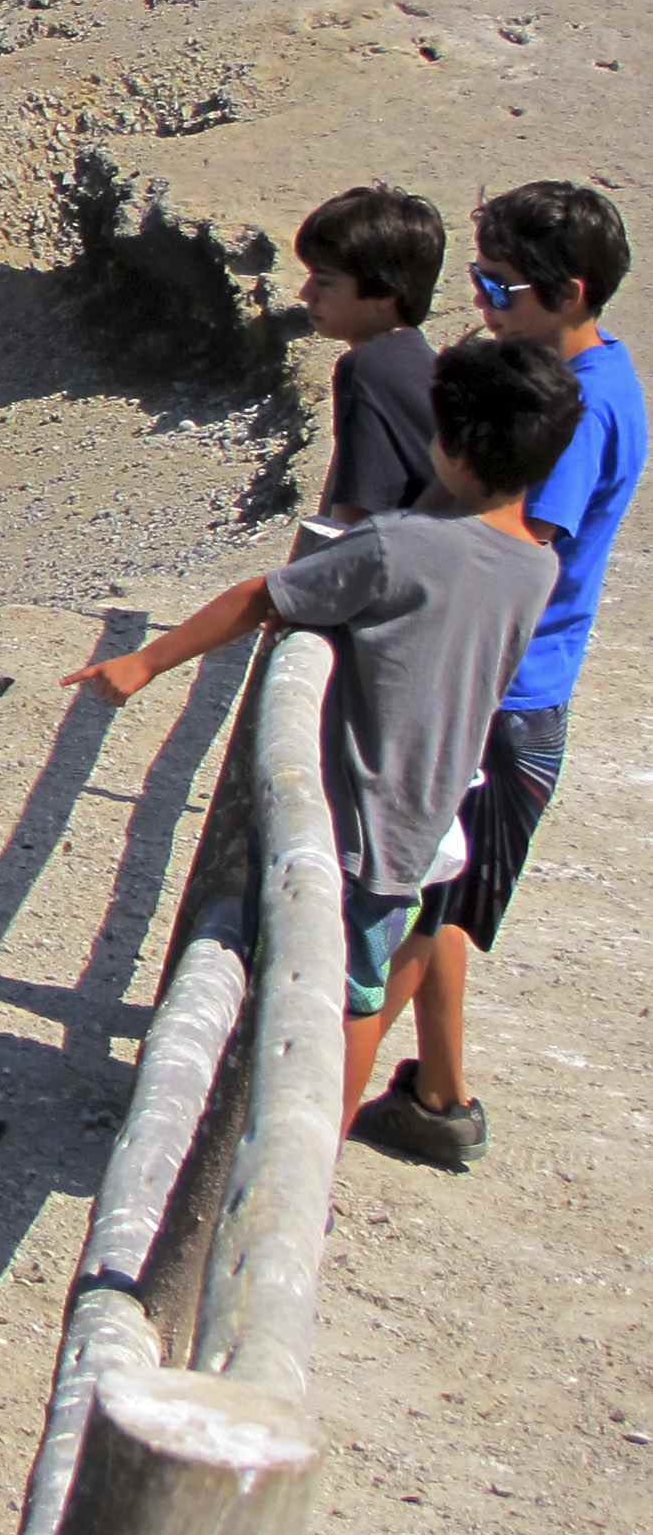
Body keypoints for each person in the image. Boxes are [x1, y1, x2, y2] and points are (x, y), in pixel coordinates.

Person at [61, 334, 577, 1132]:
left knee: (300, 982)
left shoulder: (398, 546)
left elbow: (264, 597)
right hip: (427, 818)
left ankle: (258, 1139)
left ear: (458, 443)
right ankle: (320, 1147)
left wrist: (144, 663)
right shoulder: (538, 565)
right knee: (358, 995)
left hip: (352, 817)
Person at [353, 181, 642, 1169]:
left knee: (413, 913)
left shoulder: (574, 412)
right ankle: (437, 1099)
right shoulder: (597, 381)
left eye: (497, 286)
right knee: (447, 902)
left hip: (502, 696)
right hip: (513, 690)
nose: (478, 303)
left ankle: (303, 1106)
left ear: (564, 293)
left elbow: (513, 544)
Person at [294, 184, 445, 521]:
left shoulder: (368, 368)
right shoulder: (419, 364)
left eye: (325, 281)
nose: (305, 293)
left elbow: (352, 525)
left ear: (385, 293)